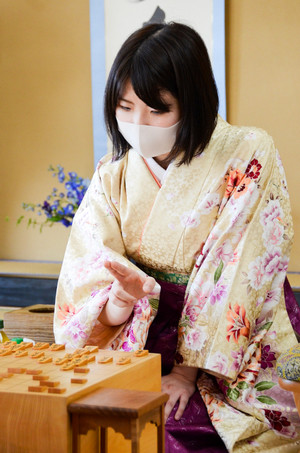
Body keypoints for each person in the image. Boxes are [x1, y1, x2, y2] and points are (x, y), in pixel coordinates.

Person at [54, 22, 300, 452]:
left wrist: (187, 373)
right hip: (140, 339)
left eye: (157, 109)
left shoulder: (247, 152)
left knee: (169, 433)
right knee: (81, 422)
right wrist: (119, 299)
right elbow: (87, 270)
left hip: (229, 344)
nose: (137, 123)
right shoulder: (112, 174)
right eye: (125, 107)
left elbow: (240, 264)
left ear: (194, 100)